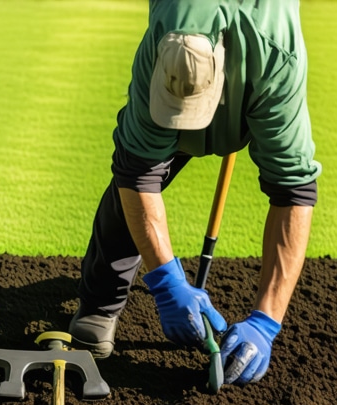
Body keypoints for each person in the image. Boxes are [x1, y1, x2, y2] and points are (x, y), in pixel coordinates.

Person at [69, 0, 322, 385]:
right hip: (182, 49)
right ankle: (99, 305)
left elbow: (293, 190)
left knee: (286, 175)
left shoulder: (276, 59)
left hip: (255, 69)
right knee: (131, 182)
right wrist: (167, 282)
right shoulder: (163, 42)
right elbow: (137, 175)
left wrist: (265, 321)